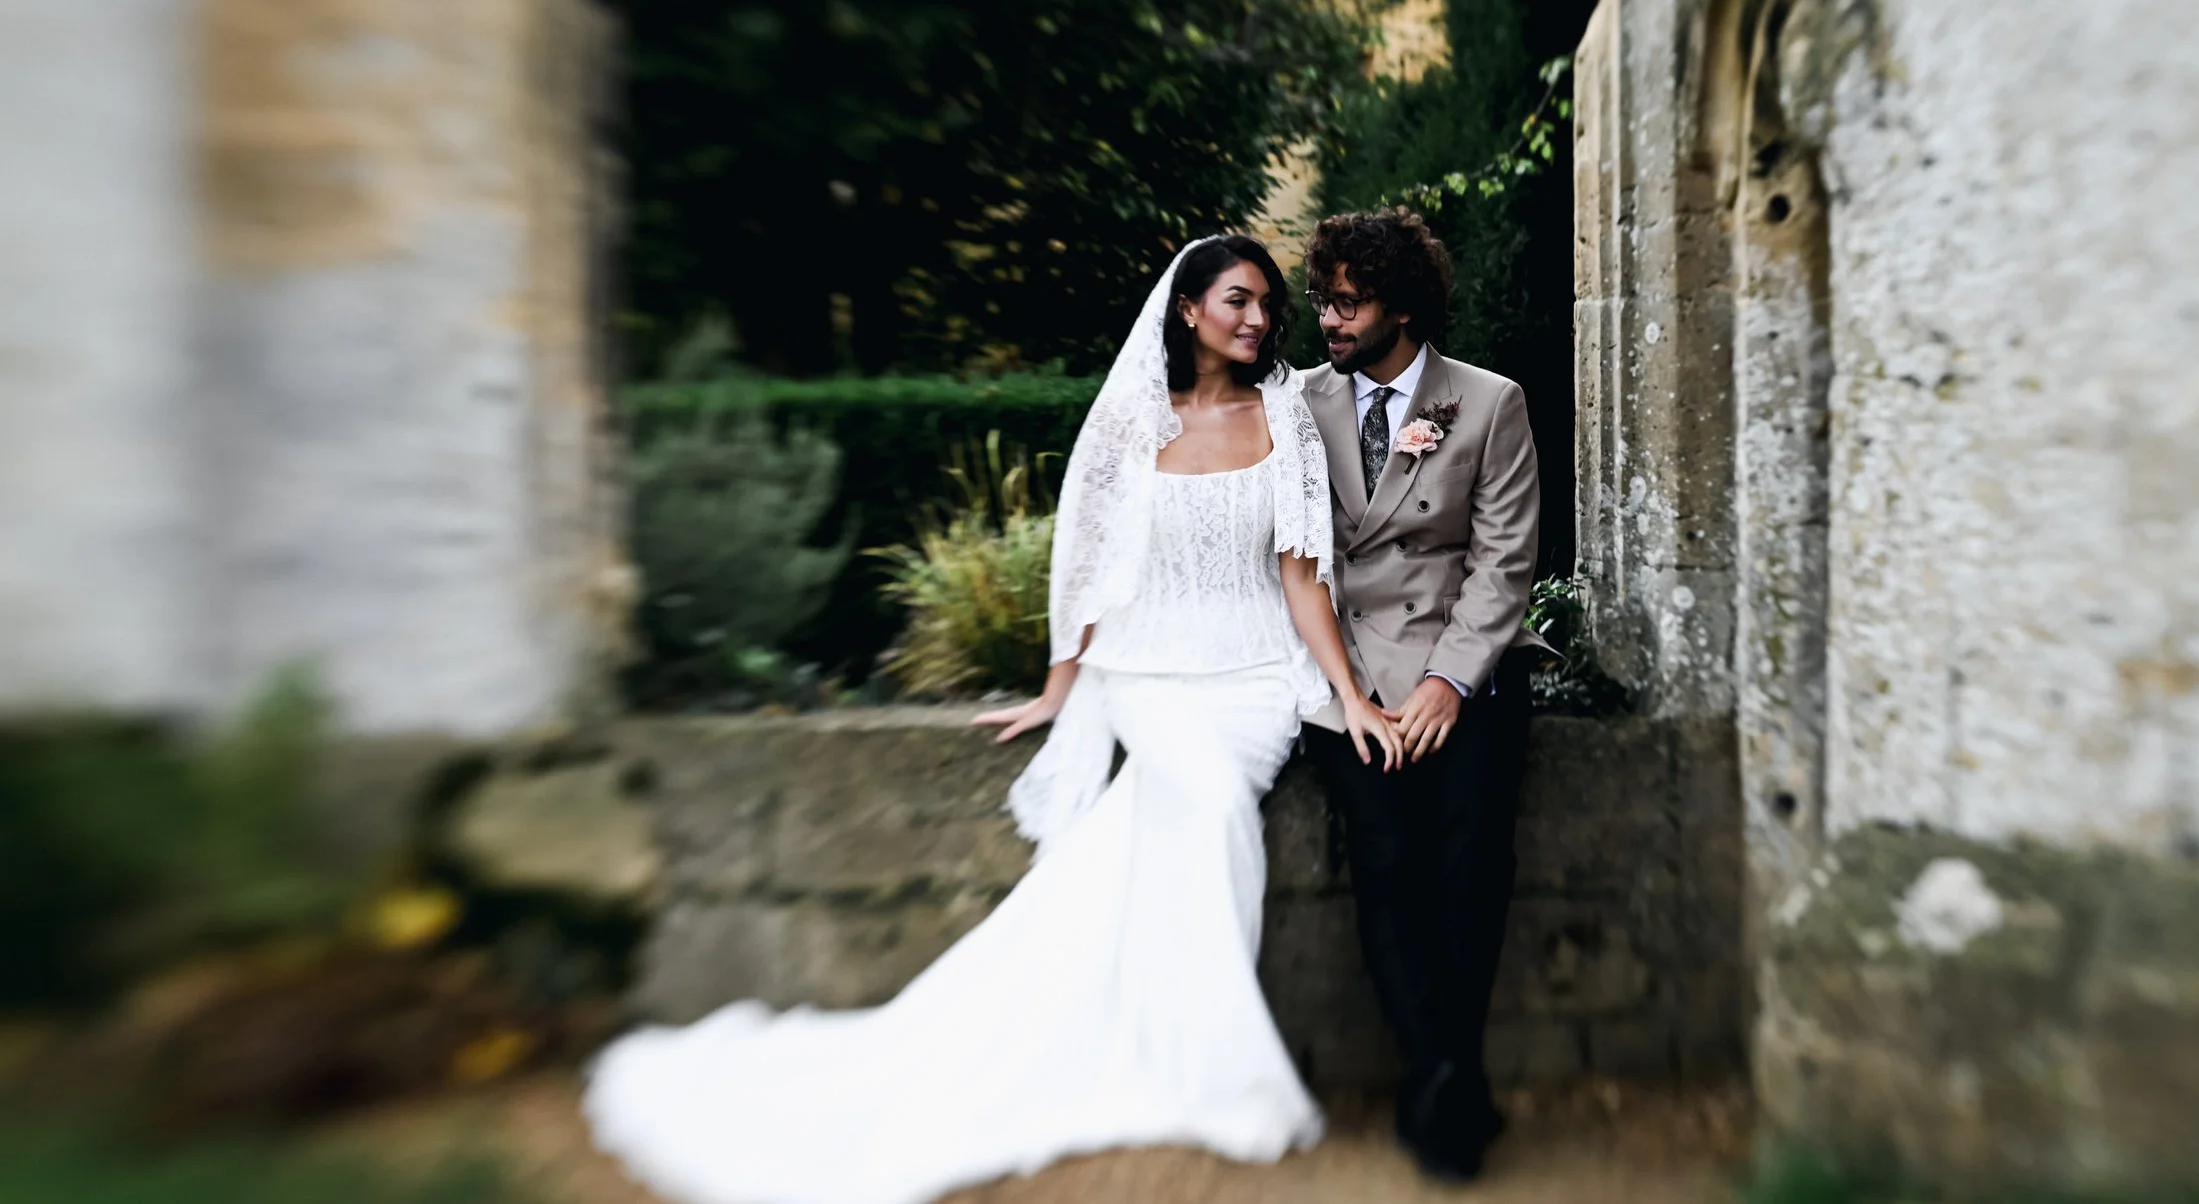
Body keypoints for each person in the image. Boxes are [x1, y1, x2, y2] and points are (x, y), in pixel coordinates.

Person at [583, 234, 1404, 1204]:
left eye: (1268, 302)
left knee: (1206, 799)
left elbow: (1301, 573)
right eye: (1236, 299)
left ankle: (1168, 1046)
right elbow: (1088, 565)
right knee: (1203, 798)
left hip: (1256, 673)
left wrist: (1348, 694)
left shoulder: (1284, 416)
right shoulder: (1131, 420)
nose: (1258, 318)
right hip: (1144, 666)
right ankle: (1209, 1061)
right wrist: (1061, 687)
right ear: (1186, 310)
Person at [1298, 207, 1542, 1182]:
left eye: (1347, 301)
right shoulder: (1298, 404)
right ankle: (1451, 1080)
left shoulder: (1488, 403)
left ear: (1403, 303)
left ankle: (1439, 1080)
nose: (1329, 319)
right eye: (1321, 298)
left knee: (1471, 859)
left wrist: (1448, 681)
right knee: (1387, 859)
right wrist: (1354, 690)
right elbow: (1294, 557)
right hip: (1349, 677)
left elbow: (1503, 559)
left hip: (1464, 662)